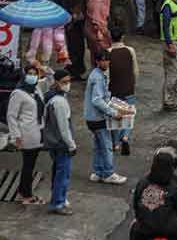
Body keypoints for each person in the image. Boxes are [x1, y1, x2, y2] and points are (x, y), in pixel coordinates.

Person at [83, 50, 128, 185]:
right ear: (97, 61)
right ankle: (108, 173)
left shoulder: (98, 74)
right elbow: (97, 100)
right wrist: (113, 113)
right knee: (107, 145)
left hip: (92, 117)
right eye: (102, 60)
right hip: (97, 118)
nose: (105, 62)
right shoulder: (97, 77)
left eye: (107, 60)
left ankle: (98, 171)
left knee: (98, 145)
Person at [7, 64, 46, 205]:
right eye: (29, 73)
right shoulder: (18, 93)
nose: (32, 76)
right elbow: (11, 116)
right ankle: (26, 195)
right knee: (28, 165)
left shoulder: (36, 89)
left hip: (38, 132)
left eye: (34, 74)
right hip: (26, 134)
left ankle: (22, 192)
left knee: (30, 164)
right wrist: (15, 136)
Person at [130, 152, 177, 240]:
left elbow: (136, 205)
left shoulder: (142, 183)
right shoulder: (175, 187)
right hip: (171, 233)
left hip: (143, 232)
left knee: (133, 229)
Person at [42, 70, 76, 215]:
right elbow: (64, 128)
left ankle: (58, 199)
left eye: (68, 81)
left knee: (58, 172)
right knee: (63, 174)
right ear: (57, 82)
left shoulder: (51, 97)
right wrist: (71, 144)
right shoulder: (60, 102)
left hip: (52, 141)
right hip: (61, 144)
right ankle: (58, 203)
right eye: (64, 82)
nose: (67, 85)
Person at [108, 28, 139, 156]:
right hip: (129, 89)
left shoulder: (108, 53)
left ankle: (115, 144)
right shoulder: (130, 50)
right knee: (129, 114)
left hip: (114, 90)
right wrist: (133, 83)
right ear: (122, 37)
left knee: (115, 116)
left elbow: (107, 75)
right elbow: (135, 70)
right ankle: (125, 137)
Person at [64, 0, 87, 80]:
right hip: (77, 29)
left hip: (71, 29)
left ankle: (73, 70)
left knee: (72, 50)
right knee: (78, 50)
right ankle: (76, 71)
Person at [85, 0, 111, 66]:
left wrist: (98, 30)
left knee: (95, 50)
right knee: (102, 49)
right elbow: (100, 17)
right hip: (101, 28)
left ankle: (96, 68)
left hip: (93, 29)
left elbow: (95, 17)